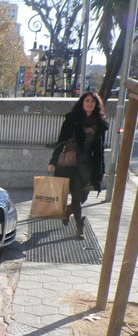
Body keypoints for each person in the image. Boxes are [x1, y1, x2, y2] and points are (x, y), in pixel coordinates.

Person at [48, 91, 108, 239]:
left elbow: (100, 147)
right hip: (71, 163)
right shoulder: (72, 119)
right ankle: (79, 228)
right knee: (76, 195)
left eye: (93, 102)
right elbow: (61, 140)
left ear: (96, 105)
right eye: (87, 101)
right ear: (82, 103)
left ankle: (67, 212)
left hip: (88, 164)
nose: (89, 104)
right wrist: (53, 161)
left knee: (83, 196)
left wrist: (101, 168)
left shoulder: (99, 123)